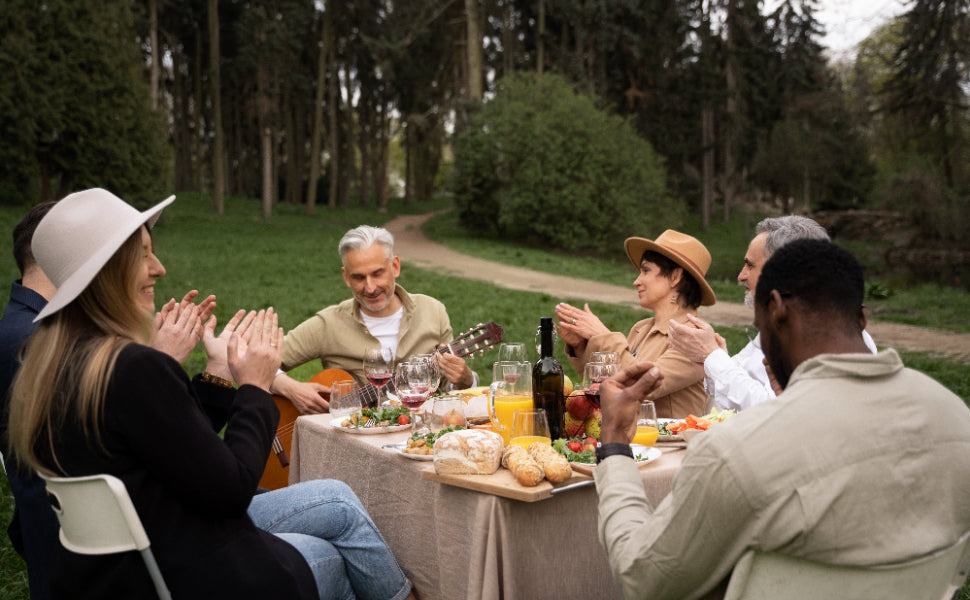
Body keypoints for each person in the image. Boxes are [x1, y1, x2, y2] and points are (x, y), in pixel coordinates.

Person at [8, 188, 413, 600]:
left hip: (130, 562)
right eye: (143, 255)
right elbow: (231, 491)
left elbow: (177, 451)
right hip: (185, 567)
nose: (159, 268)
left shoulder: (50, 364)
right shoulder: (131, 368)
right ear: (108, 271)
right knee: (329, 554)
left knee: (336, 500)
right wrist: (254, 387)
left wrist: (218, 373)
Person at [593, 239, 970, 599]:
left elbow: (640, 580)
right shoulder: (956, 418)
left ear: (775, 310)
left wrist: (614, 442)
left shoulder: (734, 454)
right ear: (861, 318)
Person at [668, 215, 877, 411]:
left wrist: (712, 357)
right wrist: (712, 360)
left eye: (750, 266)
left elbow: (778, 411)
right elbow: (740, 388)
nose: (741, 276)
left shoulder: (829, 336)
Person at [272, 224, 476, 414]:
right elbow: (255, 363)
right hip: (348, 436)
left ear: (395, 267)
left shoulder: (433, 311)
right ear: (346, 277)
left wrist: (464, 379)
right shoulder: (327, 324)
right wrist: (290, 387)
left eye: (377, 274)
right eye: (359, 277)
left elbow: (449, 391)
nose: (370, 288)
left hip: (419, 433)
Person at [554, 229, 717, 418]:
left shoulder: (694, 336)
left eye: (646, 270)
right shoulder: (641, 328)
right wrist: (580, 346)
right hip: (630, 433)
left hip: (669, 437)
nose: (636, 281)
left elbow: (643, 385)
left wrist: (603, 335)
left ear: (675, 277)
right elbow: (605, 385)